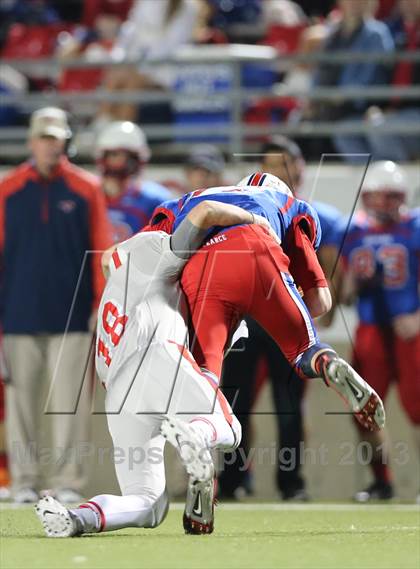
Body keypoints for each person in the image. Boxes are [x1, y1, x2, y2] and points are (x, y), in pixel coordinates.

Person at [35, 199, 277, 537]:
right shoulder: (153, 247)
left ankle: (78, 519)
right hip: (156, 356)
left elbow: (109, 259)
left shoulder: (124, 269)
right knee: (227, 427)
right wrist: (255, 220)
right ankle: (194, 436)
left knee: (148, 503)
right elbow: (205, 212)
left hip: (118, 395)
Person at [150, 173, 385, 438]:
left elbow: (142, 253)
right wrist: (287, 301)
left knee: (207, 375)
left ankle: (201, 435)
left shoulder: (184, 200)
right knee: (305, 350)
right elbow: (321, 300)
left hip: (203, 267)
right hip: (258, 249)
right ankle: (327, 363)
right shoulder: (288, 205)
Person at [219, 136, 344, 500]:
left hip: (290, 316)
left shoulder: (314, 213)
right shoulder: (242, 206)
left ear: (299, 169)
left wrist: (325, 307)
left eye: (284, 163)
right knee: (235, 403)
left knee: (289, 408)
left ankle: (292, 483)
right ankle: (233, 480)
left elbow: (326, 268)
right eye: (271, 163)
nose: (278, 171)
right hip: (248, 316)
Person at [0, 107, 112, 504]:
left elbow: (102, 251)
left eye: (56, 138)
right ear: (31, 141)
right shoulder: (7, 189)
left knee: (71, 408)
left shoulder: (87, 188)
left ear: (66, 141)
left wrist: (101, 303)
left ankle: (68, 482)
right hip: (16, 316)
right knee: (20, 408)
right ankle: (24, 482)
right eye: (44, 138)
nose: (50, 145)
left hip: (74, 316)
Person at [340, 160, 420, 501]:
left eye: (389, 196)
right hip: (370, 329)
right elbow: (342, 292)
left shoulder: (415, 226)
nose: (381, 203)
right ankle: (381, 481)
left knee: (418, 409)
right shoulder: (354, 231)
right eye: (375, 196)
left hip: (409, 330)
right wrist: (355, 285)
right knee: (364, 412)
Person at [304, 0, 394, 161]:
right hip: (329, 106)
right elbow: (320, 71)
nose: (354, 3)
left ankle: (371, 183)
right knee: (298, 126)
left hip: (360, 107)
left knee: (343, 132)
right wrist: (314, 98)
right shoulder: (333, 33)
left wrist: (337, 97)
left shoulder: (377, 34)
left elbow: (367, 78)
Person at [95, 120, 171, 242]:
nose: (121, 162)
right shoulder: (89, 194)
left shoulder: (154, 199)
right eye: (114, 154)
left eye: (128, 156)